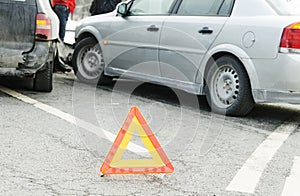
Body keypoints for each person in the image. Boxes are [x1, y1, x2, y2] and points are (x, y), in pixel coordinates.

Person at [52, 0, 76, 73]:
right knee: (59, 37)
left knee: (58, 36)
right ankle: (56, 63)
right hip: (62, 5)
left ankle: (56, 62)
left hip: (63, 6)